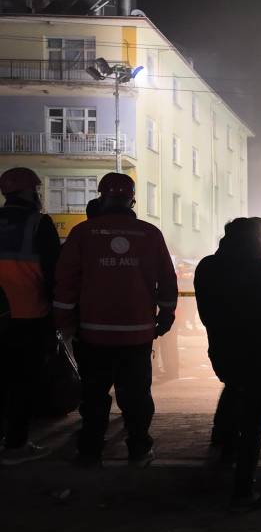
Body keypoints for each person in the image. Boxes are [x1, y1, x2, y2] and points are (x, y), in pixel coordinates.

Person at [53, 172, 178, 468]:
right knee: (136, 396)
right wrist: (167, 314)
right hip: (136, 334)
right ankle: (138, 448)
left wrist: (63, 321)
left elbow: (65, 281)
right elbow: (167, 279)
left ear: (101, 197)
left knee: (94, 397)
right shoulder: (149, 233)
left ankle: (90, 451)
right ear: (132, 199)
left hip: (93, 334)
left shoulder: (83, 233)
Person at [195, 217, 261, 509]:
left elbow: (207, 314)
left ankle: (224, 452)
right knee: (253, 422)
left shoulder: (208, 268)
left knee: (234, 392)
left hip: (224, 353)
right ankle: (243, 488)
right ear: (258, 240)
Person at [0, 167, 61, 464]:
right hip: (28, 316)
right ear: (28, 193)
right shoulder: (39, 223)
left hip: (2, 314)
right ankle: (15, 445)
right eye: (36, 191)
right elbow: (53, 274)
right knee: (22, 383)